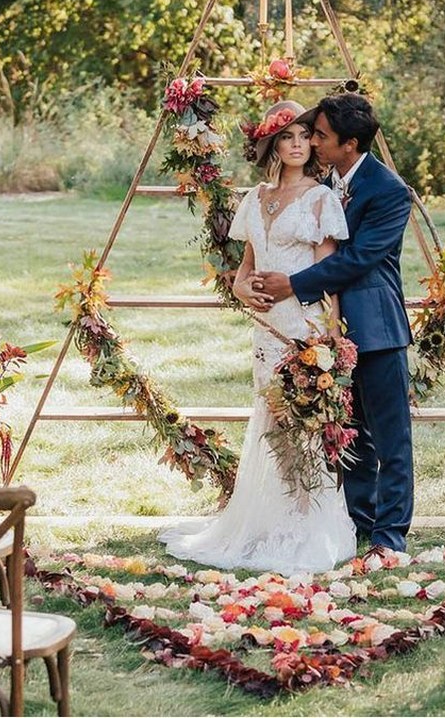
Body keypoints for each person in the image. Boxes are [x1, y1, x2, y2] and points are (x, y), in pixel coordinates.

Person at [158, 100, 356, 574]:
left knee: (305, 424)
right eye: (287, 136)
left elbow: (329, 271)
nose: (297, 144)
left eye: (305, 136)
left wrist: (330, 336)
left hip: (302, 326)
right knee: (269, 418)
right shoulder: (257, 197)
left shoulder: (321, 199)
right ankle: (270, 517)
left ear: (312, 145)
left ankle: (308, 523)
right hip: (265, 329)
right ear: (273, 144)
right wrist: (244, 287)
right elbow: (244, 269)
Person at [253, 92, 414, 553]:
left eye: (321, 135)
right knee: (350, 431)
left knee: (390, 437)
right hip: (330, 329)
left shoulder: (388, 191)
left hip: (377, 326)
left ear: (350, 143)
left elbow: (361, 258)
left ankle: (390, 535)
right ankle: (359, 523)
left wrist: (294, 284)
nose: (314, 142)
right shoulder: (330, 181)